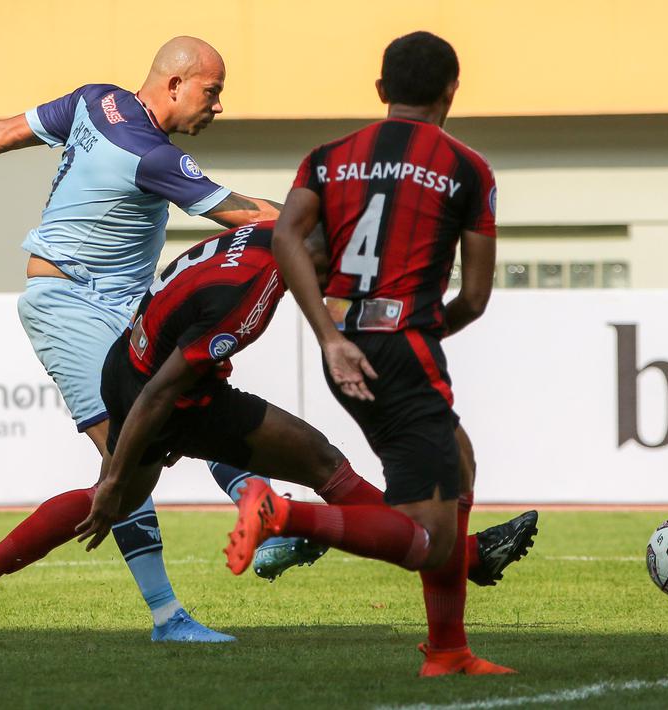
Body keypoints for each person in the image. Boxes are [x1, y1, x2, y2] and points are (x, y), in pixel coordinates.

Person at [0, 36, 318, 646]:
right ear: (174, 85)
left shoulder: (94, 101)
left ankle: (263, 516)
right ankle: (170, 612)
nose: (217, 106)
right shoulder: (149, 153)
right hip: (68, 306)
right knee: (129, 461)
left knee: (185, 416)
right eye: (212, 92)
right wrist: (323, 220)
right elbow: (243, 213)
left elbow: (4, 132)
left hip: (125, 305)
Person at [73, 221, 537, 612]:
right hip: (160, 395)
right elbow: (159, 394)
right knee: (115, 496)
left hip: (137, 368)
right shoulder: (247, 297)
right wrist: (121, 475)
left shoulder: (270, 234)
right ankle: (462, 557)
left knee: (106, 501)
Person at [237, 31, 513, 676]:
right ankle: (284, 515)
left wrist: (331, 335)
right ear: (452, 89)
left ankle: (448, 650)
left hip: (344, 346)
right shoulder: (467, 168)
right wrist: (416, 333)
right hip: (404, 349)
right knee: (430, 538)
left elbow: (285, 236)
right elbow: (473, 297)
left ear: (382, 91)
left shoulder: (327, 158)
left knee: (458, 462)